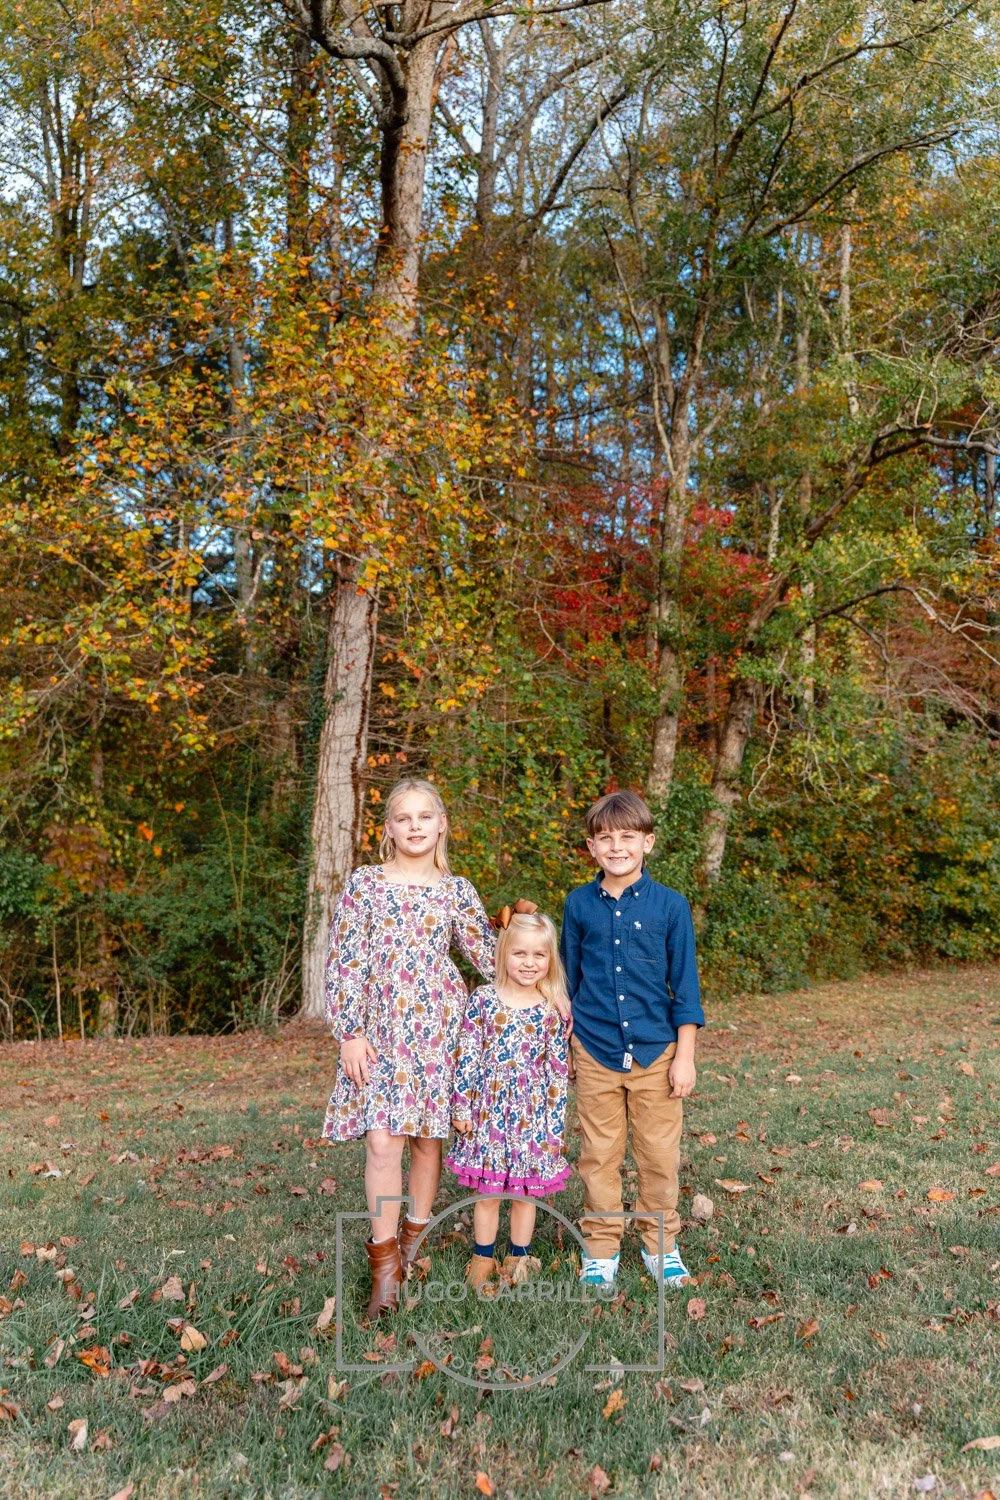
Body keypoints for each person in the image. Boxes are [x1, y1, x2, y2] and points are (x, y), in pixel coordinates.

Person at [323, 777, 505, 1320]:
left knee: (428, 1140)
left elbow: (488, 958)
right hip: (379, 1029)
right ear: (389, 829)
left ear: (442, 824)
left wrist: (547, 993)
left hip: (440, 1026)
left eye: (425, 817)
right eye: (404, 818)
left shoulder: (457, 890)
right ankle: (383, 1269)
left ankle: (410, 1248)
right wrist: (349, 1031)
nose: (415, 826)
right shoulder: (366, 884)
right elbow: (345, 960)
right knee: (383, 1141)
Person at [560, 789, 704, 1289]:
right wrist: (568, 1046)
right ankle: (601, 1247)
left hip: (657, 1050)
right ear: (592, 847)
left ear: (648, 842)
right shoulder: (578, 904)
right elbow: (569, 984)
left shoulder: (671, 906)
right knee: (599, 1154)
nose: (616, 846)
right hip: (594, 1047)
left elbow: (685, 989)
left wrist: (683, 1057)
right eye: (605, 838)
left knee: (658, 1155)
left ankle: (660, 1244)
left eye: (627, 837)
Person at [446, 911, 571, 1292]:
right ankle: (483, 1255)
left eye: (539, 955)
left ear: (550, 960)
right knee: (487, 1193)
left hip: (531, 1118)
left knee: (525, 1193)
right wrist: (461, 1107)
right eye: (520, 954)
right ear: (503, 954)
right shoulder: (483, 1000)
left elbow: (556, 1074)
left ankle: (520, 1254)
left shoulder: (550, 1009)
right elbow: (466, 1056)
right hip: (487, 1113)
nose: (529, 963)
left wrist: (553, 1127)